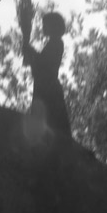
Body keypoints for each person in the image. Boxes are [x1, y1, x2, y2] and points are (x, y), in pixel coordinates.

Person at [21, 11, 72, 139]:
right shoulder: (52, 44)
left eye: (46, 25)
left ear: (54, 26)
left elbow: (43, 64)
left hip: (48, 87)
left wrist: (29, 46)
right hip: (43, 86)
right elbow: (31, 61)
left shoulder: (57, 43)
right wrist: (26, 42)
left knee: (51, 122)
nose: (43, 28)